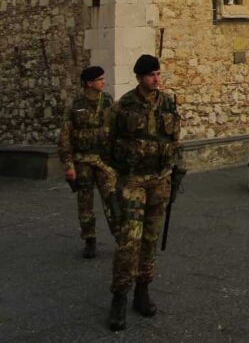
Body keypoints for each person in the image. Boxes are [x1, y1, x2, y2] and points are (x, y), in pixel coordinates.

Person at [107, 54, 183, 332]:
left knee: (150, 239)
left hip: (160, 180)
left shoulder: (167, 103)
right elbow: (107, 142)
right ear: (140, 77)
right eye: (151, 75)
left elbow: (175, 139)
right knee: (129, 241)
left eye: (158, 74)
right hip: (134, 182)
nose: (156, 79)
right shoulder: (123, 106)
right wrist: (120, 172)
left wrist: (175, 169)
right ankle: (119, 296)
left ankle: (143, 290)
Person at [57, 66, 120, 258]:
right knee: (85, 202)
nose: (103, 82)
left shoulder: (108, 101)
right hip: (82, 161)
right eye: (100, 79)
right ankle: (89, 239)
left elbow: (117, 128)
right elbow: (65, 136)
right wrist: (68, 166)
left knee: (112, 199)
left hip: (104, 161)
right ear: (89, 83)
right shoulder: (76, 105)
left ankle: (120, 237)